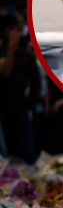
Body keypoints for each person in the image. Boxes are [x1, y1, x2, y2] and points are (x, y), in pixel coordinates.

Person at [0, 16, 39, 163]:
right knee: (7, 154)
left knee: (26, 150)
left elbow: (35, 80)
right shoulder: (2, 52)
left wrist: (31, 103)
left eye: (15, 29)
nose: (13, 32)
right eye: (10, 29)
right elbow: (6, 72)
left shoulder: (25, 55)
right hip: (3, 110)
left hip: (21, 109)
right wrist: (10, 48)